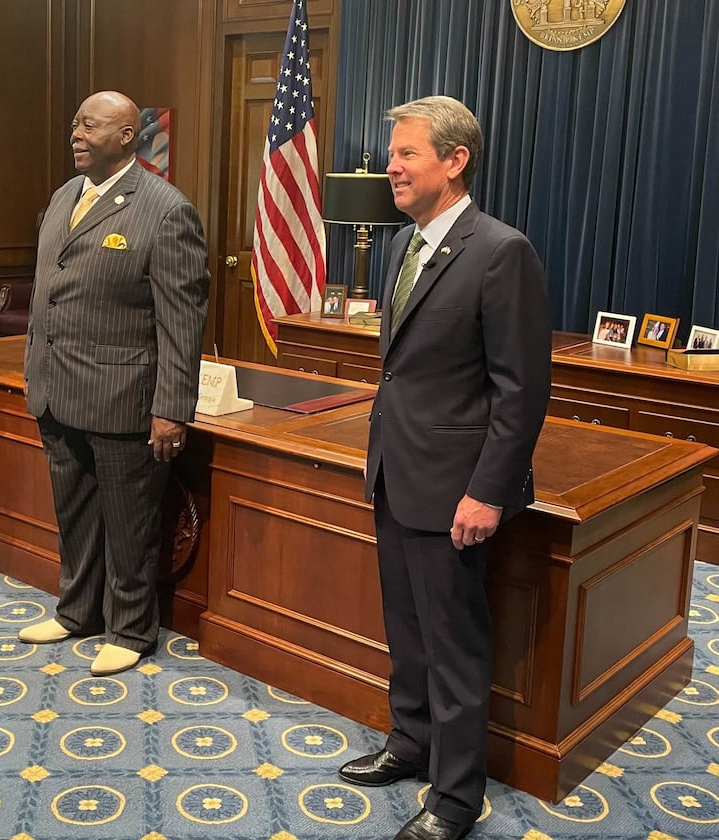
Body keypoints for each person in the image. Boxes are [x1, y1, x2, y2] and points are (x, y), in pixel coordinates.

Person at [342, 96, 551, 840]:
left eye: (405, 155)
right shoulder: (403, 246)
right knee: (407, 631)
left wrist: (488, 493)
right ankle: (410, 742)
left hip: (457, 489)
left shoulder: (501, 251)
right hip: (397, 474)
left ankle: (455, 798)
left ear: (455, 162)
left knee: (455, 647)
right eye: (392, 154)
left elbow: (521, 392)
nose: (390, 167)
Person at [17, 91, 209, 677]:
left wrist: (172, 408)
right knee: (73, 511)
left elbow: (182, 320)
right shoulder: (62, 198)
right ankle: (77, 609)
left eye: (89, 125)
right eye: (74, 123)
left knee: (130, 524)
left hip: (124, 398)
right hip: (56, 389)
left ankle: (129, 628)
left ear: (128, 135)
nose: (75, 133)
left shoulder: (166, 210)